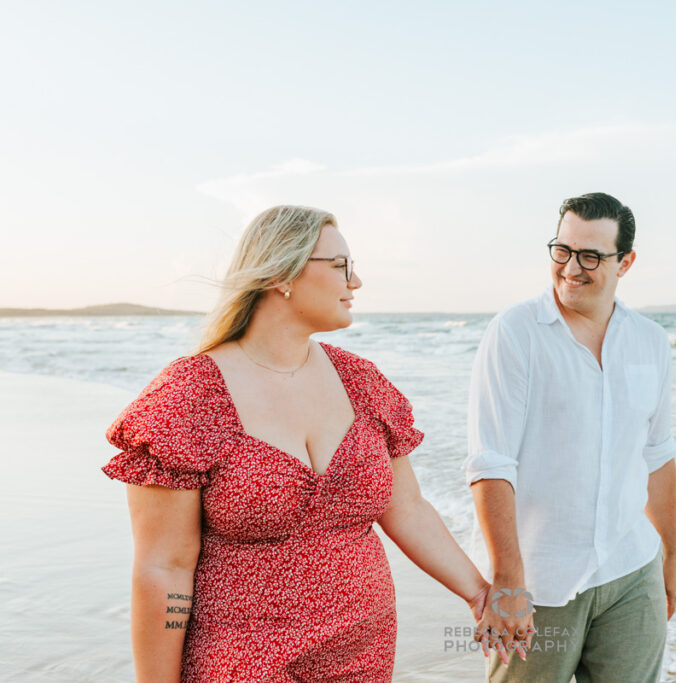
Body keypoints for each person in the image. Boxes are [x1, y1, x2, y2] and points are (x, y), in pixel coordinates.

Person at [102, 205, 488, 682]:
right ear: (281, 273)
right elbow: (164, 568)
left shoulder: (361, 383)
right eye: (341, 265)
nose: (356, 281)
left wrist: (479, 592)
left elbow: (407, 508)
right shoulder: (189, 397)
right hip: (243, 659)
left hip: (362, 653)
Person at [464, 192, 676, 682]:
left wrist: (670, 558)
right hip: (538, 582)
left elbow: (657, 455)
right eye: (562, 250)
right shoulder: (515, 333)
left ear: (625, 262)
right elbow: (491, 464)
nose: (571, 268)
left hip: (631, 568)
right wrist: (508, 582)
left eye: (590, 256)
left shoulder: (650, 341)